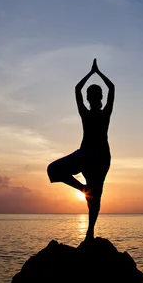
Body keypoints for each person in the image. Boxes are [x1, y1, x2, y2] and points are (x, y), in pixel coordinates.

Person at [47, 58, 115, 240]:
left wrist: (95, 73)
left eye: (95, 96)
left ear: (98, 98)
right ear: (90, 99)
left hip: (100, 157)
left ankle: (90, 231)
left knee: (96, 196)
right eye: (91, 97)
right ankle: (83, 188)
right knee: (53, 170)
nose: (93, 99)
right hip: (86, 154)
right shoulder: (88, 113)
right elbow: (80, 89)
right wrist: (94, 73)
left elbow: (110, 88)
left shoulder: (104, 113)